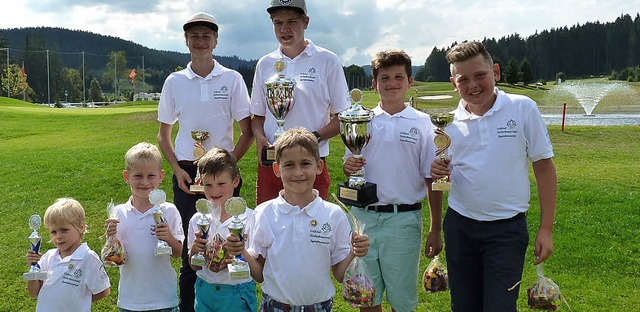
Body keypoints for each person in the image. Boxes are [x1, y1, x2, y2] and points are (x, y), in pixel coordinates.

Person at [430, 41, 557, 312]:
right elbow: (441, 176)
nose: (473, 84)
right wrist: (439, 171)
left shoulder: (522, 108)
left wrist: (546, 228)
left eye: (480, 75)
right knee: (464, 306)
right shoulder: (448, 124)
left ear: (495, 72)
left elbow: (544, 167)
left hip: (506, 230)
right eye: (463, 79)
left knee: (500, 306)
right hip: (460, 227)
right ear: (454, 83)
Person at [157, 11, 253, 311]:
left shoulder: (232, 78)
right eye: (194, 36)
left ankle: (231, 299)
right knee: (192, 249)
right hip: (187, 172)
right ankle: (192, 306)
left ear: (215, 40)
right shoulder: (174, 81)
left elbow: (247, 132)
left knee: (231, 243)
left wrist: (226, 170)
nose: (201, 41)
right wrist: (177, 170)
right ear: (186, 41)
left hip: (222, 175)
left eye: (206, 36)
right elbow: (163, 135)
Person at [341, 50, 443, 312]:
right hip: (364, 219)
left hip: (403, 220)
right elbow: (350, 164)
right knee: (366, 295)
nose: (392, 83)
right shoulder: (361, 119)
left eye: (399, 76)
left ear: (410, 80)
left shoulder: (422, 123)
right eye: (384, 77)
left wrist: (435, 228)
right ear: (374, 84)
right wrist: (349, 165)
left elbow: (432, 178)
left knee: (402, 300)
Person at [226, 127, 370, 311]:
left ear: (319, 166)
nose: (298, 172)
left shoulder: (333, 215)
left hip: (319, 307)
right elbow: (260, 274)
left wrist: (354, 252)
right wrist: (241, 252)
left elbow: (341, 275)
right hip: (275, 306)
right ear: (277, 169)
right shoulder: (264, 213)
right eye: (289, 165)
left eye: (305, 164)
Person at [250, 0, 351, 205]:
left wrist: (313, 139)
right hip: (273, 162)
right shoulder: (265, 63)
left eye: (292, 22)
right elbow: (258, 115)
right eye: (278, 23)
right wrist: (260, 138)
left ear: (306, 21)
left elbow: (343, 116)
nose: (284, 29)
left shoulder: (327, 60)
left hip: (311, 162)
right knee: (270, 226)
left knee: (313, 228)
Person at [105, 142, 184, 311]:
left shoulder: (169, 210)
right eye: (138, 176)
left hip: (164, 300)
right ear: (127, 177)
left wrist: (169, 237)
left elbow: (178, 254)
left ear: (161, 176)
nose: (145, 182)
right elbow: (112, 258)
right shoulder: (118, 213)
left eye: (151, 176)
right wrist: (110, 238)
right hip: (130, 301)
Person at [187, 147, 257, 311]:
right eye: (208, 185)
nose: (214, 191)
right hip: (205, 290)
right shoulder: (198, 219)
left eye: (221, 184)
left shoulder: (250, 218)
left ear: (235, 180)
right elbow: (194, 266)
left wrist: (238, 255)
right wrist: (195, 251)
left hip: (237, 293)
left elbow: (257, 270)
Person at [26, 198, 111, 312]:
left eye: (64, 230)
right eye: (53, 232)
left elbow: (103, 291)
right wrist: (33, 268)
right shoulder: (49, 257)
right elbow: (34, 292)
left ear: (81, 227)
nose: (58, 236)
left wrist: (79, 300)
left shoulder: (88, 258)